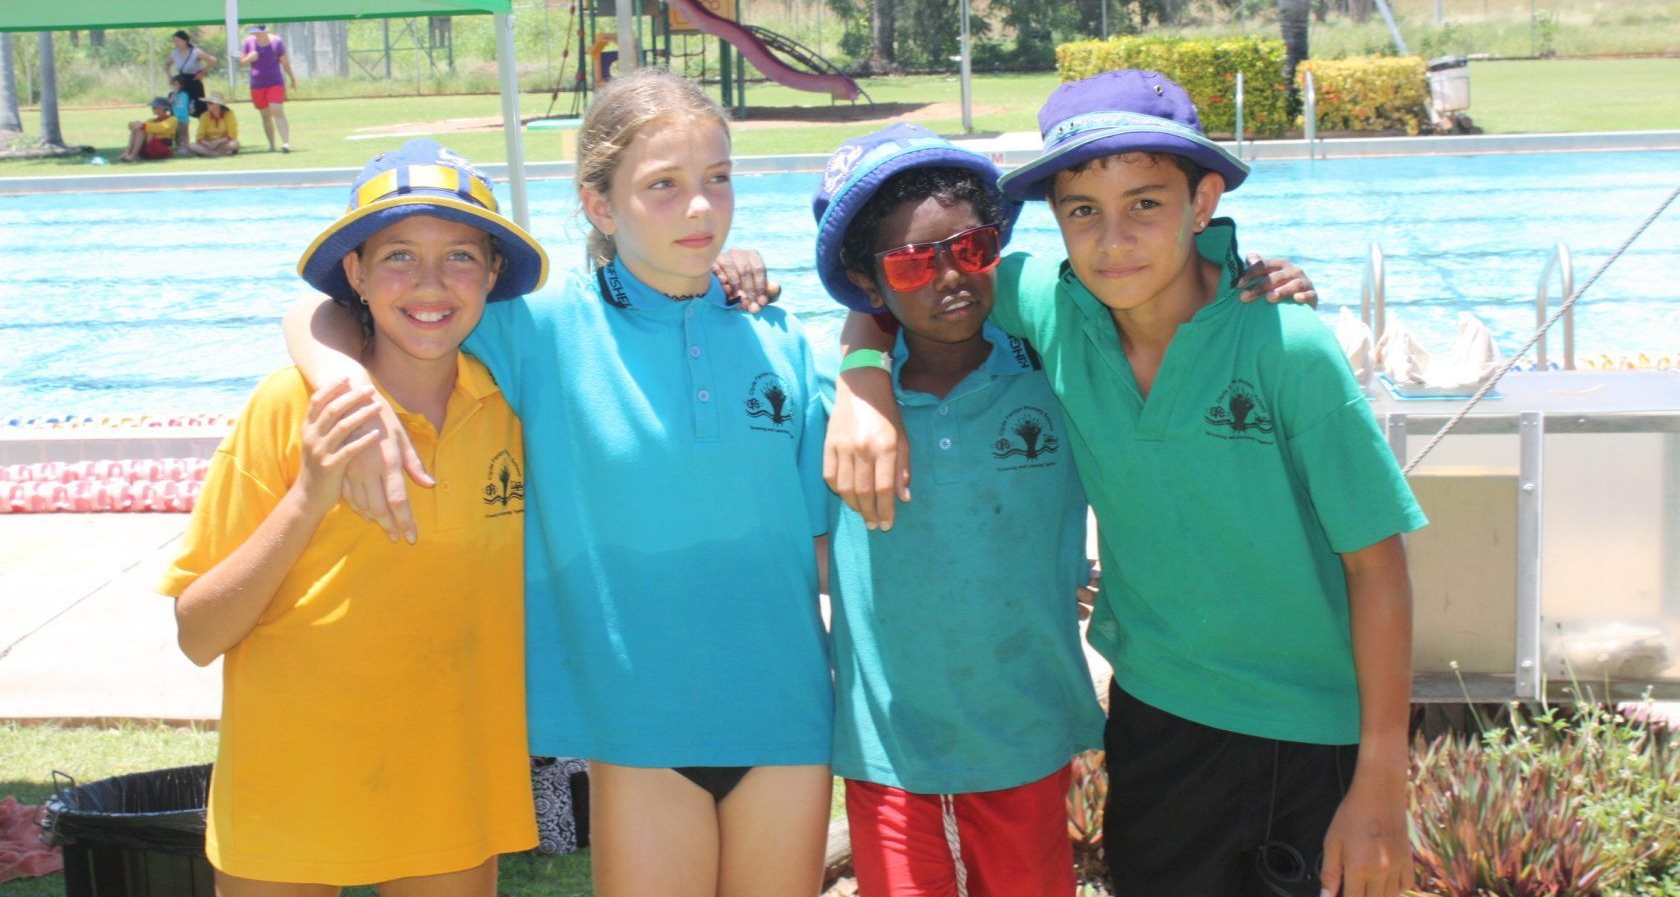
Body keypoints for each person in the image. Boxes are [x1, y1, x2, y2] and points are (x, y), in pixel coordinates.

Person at [829, 69, 1425, 897]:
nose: (1113, 241)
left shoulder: (1289, 350)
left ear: (1203, 200)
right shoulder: (1048, 303)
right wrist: (863, 372)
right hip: (1154, 722)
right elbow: (907, 281)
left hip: (1305, 733)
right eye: (1083, 212)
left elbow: (1378, 566)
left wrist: (1383, 780)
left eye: (1146, 203)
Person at [283, 67, 835, 897]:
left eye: (717, 179)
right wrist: (345, 386)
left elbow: (825, 549)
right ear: (599, 206)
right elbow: (324, 308)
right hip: (638, 731)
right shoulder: (538, 332)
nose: (699, 209)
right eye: (663, 186)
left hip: (788, 715)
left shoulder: (782, 341)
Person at [158, 138, 549, 896]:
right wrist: (310, 493)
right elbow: (197, 633)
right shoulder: (287, 407)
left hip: (452, 796)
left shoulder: (518, 406)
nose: (431, 283)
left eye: (461, 257)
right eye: (398, 256)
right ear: (356, 274)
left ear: (495, 273)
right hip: (289, 798)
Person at [811, 124, 1105, 897]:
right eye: (911, 261)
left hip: (1029, 734)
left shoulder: (1053, 367)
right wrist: (859, 365)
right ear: (866, 283)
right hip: (898, 753)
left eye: (970, 249)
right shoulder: (829, 402)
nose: (949, 277)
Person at [239, 24, 296, 152]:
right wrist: (250, 57)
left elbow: (284, 62)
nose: (255, 34)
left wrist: (292, 78)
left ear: (265, 31)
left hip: (275, 81)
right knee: (265, 116)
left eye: (258, 32)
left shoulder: (277, 42)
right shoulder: (248, 42)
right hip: (257, 84)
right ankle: (271, 145)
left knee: (277, 110)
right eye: (253, 32)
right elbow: (241, 63)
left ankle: (286, 143)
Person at [165, 28, 216, 117]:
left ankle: (203, 129)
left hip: (194, 82)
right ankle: (178, 129)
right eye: (174, 41)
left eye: (178, 41)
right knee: (179, 108)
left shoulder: (195, 52)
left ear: (185, 41)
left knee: (199, 109)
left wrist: (203, 72)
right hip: (181, 83)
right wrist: (169, 77)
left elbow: (212, 60)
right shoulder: (174, 53)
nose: (176, 44)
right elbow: (166, 65)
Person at [119, 96, 178, 161]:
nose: (152, 109)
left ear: (163, 108)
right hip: (150, 149)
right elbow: (141, 127)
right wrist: (133, 125)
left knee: (146, 131)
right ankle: (128, 152)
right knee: (138, 130)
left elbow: (160, 127)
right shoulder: (151, 120)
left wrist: (141, 125)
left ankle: (133, 155)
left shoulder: (172, 120)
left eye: (155, 107)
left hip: (163, 149)